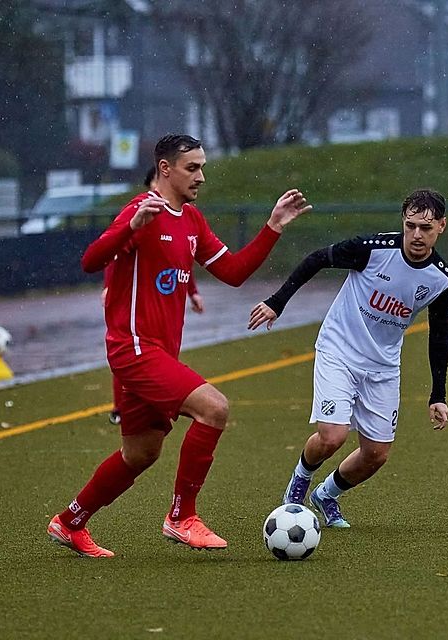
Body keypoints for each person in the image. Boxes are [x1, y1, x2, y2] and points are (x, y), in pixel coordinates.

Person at [47, 134, 311, 557]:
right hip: (133, 348)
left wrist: (273, 226)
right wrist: (130, 229)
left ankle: (70, 521)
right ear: (165, 169)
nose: (201, 176)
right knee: (214, 408)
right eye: (192, 168)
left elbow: (234, 272)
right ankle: (181, 517)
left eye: (202, 167)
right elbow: (90, 261)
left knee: (140, 453)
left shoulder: (191, 219)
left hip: (157, 354)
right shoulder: (141, 210)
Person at [248, 188, 448, 528]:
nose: (417, 235)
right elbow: (317, 258)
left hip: (383, 367)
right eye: (411, 226)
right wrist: (277, 302)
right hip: (339, 351)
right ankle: (299, 483)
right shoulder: (372, 250)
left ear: (442, 226)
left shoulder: (440, 279)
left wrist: (438, 394)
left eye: (426, 228)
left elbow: (440, 334)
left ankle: (326, 495)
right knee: (332, 436)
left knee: (376, 455)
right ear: (403, 223)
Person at [103, 167, 204, 425]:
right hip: (134, 327)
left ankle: (136, 405)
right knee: (213, 409)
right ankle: (119, 407)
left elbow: (181, 262)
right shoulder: (138, 213)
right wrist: (109, 286)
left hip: (162, 328)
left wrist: (192, 292)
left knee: (143, 445)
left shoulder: (185, 218)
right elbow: (113, 254)